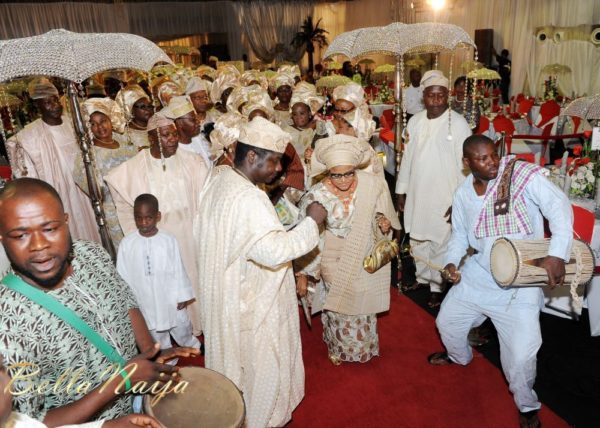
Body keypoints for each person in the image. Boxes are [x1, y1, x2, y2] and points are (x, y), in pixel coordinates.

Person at [0, 178, 198, 426]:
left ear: (66, 221)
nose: (39, 245)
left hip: (140, 398)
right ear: (1, 237)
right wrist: (122, 381)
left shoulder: (91, 253)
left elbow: (125, 301)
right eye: (20, 235)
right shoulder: (7, 325)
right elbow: (33, 422)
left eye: (50, 229)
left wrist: (150, 353)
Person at [429, 135, 572, 428]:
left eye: (494, 155)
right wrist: (452, 263)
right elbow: (458, 235)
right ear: (467, 163)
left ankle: (527, 405)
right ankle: (460, 356)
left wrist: (557, 254)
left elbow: (558, 206)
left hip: (519, 285)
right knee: (447, 325)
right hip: (478, 277)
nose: (492, 162)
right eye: (482, 159)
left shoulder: (518, 175)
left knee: (520, 358)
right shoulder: (463, 194)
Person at [194, 117, 327, 428]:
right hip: (252, 305)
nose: (279, 170)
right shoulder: (249, 197)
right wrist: (312, 221)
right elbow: (274, 251)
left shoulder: (219, 177)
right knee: (262, 370)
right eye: (275, 162)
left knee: (238, 368)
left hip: (227, 294)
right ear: (251, 156)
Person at [295, 135, 400, 365]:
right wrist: (303, 273)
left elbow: (380, 215)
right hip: (332, 254)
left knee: (363, 299)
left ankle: (364, 347)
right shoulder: (316, 195)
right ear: (327, 172)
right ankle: (338, 347)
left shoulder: (369, 185)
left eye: (349, 173)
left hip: (364, 249)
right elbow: (307, 237)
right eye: (336, 174)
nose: (343, 180)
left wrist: (381, 221)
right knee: (340, 304)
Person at [105, 113, 209, 335]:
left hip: (190, 232)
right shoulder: (133, 168)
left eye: (173, 133)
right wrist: (140, 239)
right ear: (152, 138)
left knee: (194, 278)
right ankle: (173, 332)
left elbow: (206, 197)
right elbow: (123, 204)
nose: (173, 138)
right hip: (158, 238)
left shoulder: (192, 161)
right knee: (165, 285)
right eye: (166, 135)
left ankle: (200, 326)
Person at [395, 70, 471, 308]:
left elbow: (467, 167)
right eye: (431, 95)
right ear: (423, 97)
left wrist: (459, 201)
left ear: (447, 96)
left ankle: (438, 287)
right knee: (418, 238)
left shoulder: (458, 124)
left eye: (441, 95)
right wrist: (401, 190)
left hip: (446, 194)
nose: (436, 99)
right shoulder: (415, 122)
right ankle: (422, 278)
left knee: (441, 241)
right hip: (418, 192)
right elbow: (407, 158)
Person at [6, 78, 101, 243]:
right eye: (47, 102)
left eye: (55, 99)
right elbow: (25, 175)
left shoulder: (74, 124)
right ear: (38, 106)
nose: (55, 105)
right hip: (58, 195)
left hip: (85, 193)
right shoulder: (29, 136)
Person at [117, 194, 199, 352]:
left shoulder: (168, 240)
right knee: (155, 333)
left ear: (158, 216)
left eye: (148, 218)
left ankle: (193, 346)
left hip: (169, 296)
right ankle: (167, 360)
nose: (143, 223)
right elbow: (122, 276)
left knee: (181, 326)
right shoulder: (127, 244)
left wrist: (182, 295)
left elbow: (178, 268)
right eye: (139, 218)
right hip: (144, 300)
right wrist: (130, 304)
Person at [73, 98, 137, 249]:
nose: (99, 127)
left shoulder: (125, 141)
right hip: (114, 213)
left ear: (110, 119)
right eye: (92, 124)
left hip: (138, 203)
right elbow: (93, 188)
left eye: (103, 120)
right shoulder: (88, 155)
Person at [162, 95, 212, 168]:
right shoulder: (174, 152)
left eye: (197, 118)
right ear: (179, 123)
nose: (198, 122)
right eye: (193, 119)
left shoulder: (198, 137)